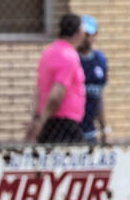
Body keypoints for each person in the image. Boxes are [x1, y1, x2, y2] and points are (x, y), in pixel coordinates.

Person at [26, 13, 87, 144]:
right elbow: (56, 94)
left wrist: (37, 117)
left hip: (49, 119)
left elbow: (39, 89)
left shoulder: (48, 51)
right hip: (63, 122)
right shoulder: (68, 56)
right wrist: (41, 122)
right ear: (77, 33)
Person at [78, 15, 110, 144]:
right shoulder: (72, 58)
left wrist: (104, 129)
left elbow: (99, 97)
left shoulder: (99, 59)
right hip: (71, 130)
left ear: (95, 34)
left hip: (90, 131)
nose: (84, 38)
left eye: (88, 34)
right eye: (82, 34)